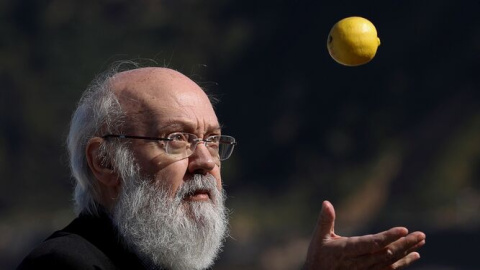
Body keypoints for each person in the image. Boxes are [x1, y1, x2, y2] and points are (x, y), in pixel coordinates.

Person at [18, 62, 426, 270]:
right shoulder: (66, 264)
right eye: (176, 139)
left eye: (212, 140)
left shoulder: (156, 259)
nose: (206, 161)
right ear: (105, 162)